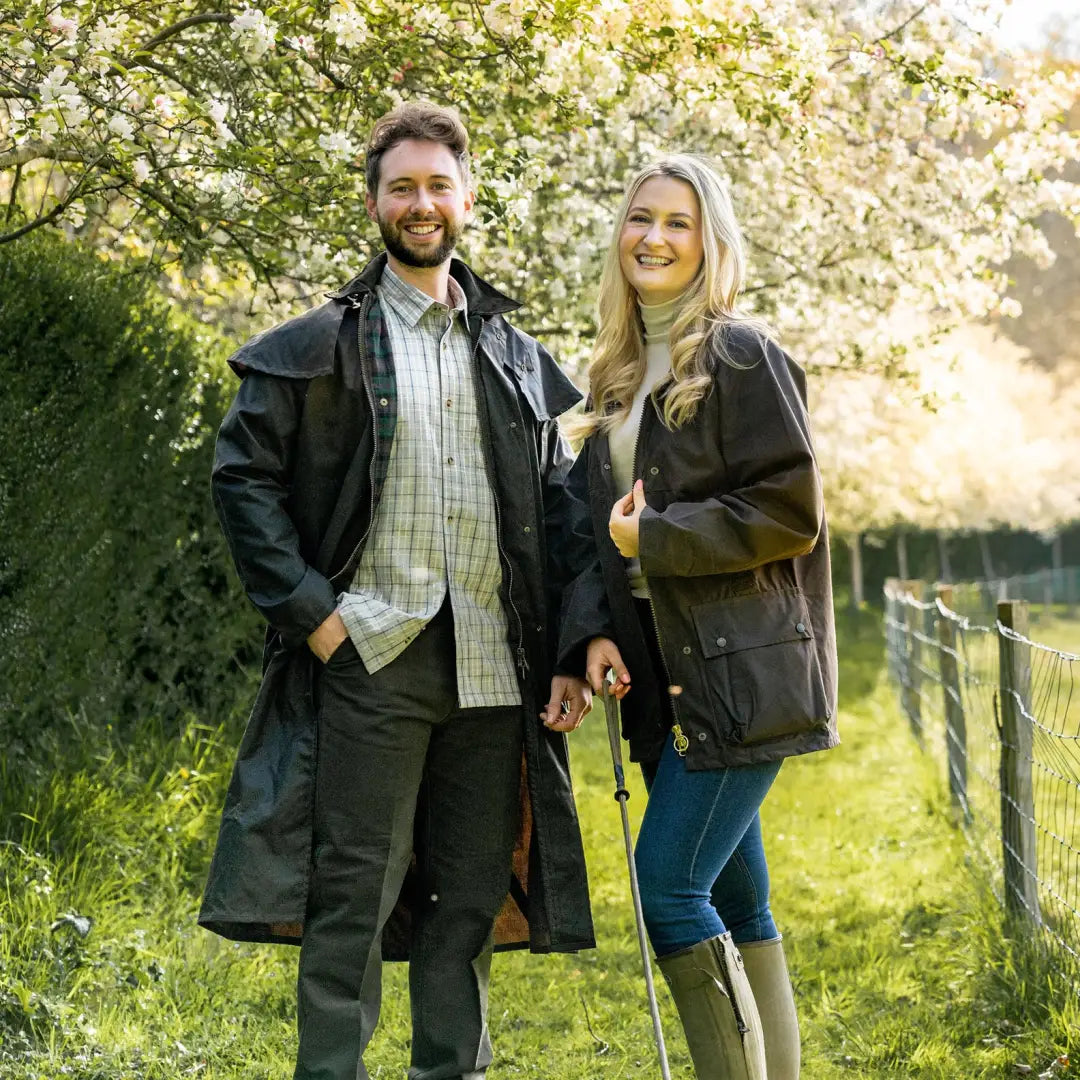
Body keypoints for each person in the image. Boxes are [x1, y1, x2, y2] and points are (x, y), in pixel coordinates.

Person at [199, 101, 597, 1080]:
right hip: (372, 655)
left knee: (465, 901)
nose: (422, 204)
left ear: (467, 199)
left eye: (438, 186)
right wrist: (313, 617)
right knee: (354, 896)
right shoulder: (321, 346)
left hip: (493, 670)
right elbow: (239, 478)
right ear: (376, 204)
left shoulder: (510, 356)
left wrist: (573, 650)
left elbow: (561, 518)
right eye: (402, 188)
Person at [558, 155, 839, 1080]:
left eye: (678, 223)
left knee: (670, 889)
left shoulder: (742, 357)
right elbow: (603, 535)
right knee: (735, 899)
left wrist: (661, 541)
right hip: (663, 672)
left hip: (740, 673)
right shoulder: (613, 372)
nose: (655, 238)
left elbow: (791, 510)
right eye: (642, 218)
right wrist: (596, 625)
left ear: (708, 240)